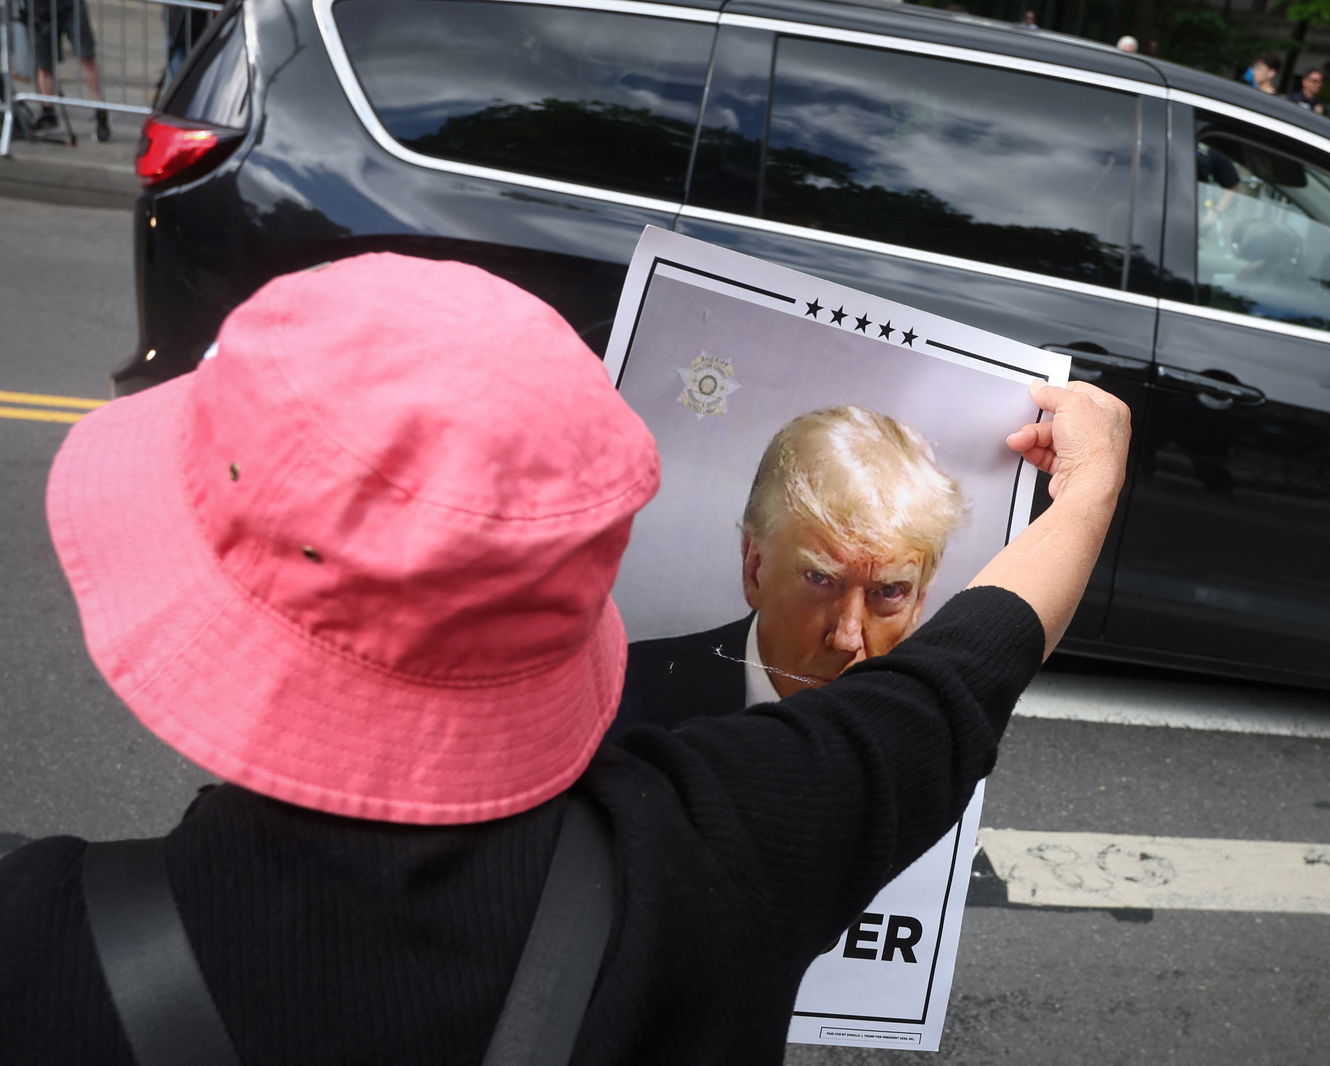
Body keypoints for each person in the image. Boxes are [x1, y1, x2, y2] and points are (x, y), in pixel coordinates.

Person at [0, 252, 1129, 1065]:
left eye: (888, 593)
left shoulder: (35, 950)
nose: (852, 629)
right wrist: (1087, 490)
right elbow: (948, 686)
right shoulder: (727, 851)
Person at [615, 405, 965, 730]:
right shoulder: (623, 696)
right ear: (754, 568)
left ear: (919, 600)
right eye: (820, 579)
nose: (846, 639)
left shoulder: (935, 736)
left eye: (888, 591)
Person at [29, 0, 110, 142]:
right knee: (44, 64)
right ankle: (48, 112)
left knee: (86, 57)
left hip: (70, 6)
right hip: (40, 9)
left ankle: (100, 111)